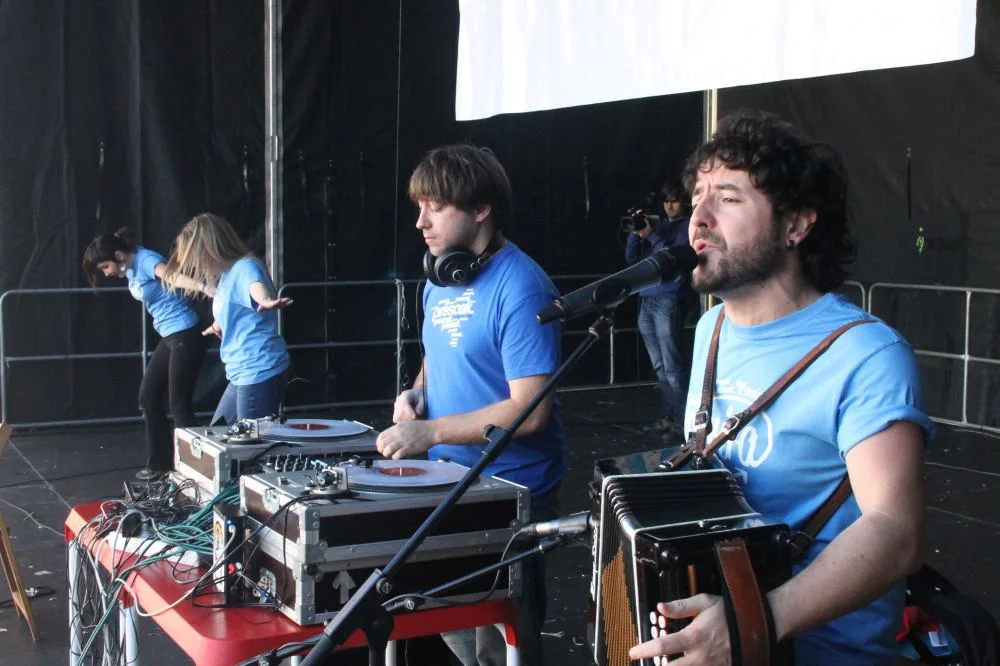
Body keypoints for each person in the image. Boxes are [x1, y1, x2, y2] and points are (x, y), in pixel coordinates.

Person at [629, 110, 932, 666]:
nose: (699, 219)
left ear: (796, 226)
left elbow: (896, 532)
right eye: (697, 197)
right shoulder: (710, 328)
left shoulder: (866, 354)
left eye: (728, 198)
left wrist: (752, 622)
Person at [376, 144, 565, 666]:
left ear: (481, 209)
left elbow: (531, 410)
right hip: (450, 482)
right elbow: (437, 354)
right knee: (452, 627)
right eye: (419, 207)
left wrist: (431, 432)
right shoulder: (441, 279)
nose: (421, 222)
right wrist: (417, 391)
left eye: (435, 207)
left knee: (500, 645)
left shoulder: (523, 289)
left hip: (512, 493)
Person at [83, 227, 211, 480]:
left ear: (119, 255)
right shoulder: (130, 267)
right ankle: (160, 465)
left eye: (106, 267)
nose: (107, 273)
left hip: (186, 332)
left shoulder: (146, 260)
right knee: (148, 397)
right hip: (170, 335)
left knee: (179, 403)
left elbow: (172, 276)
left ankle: (193, 472)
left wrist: (205, 288)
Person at [163, 213, 293, 425]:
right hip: (242, 372)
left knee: (249, 440)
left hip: (258, 370)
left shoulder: (245, 267)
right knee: (219, 432)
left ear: (209, 249)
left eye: (196, 258)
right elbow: (235, 307)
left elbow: (255, 287)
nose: (197, 266)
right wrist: (217, 325)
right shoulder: (226, 275)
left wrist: (265, 300)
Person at [624, 182, 691, 441]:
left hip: (668, 300)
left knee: (673, 367)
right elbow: (631, 257)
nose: (669, 206)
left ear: (683, 202)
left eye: (674, 200)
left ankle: (683, 423)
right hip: (647, 300)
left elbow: (670, 257)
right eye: (666, 201)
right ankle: (670, 418)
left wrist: (651, 235)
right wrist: (636, 232)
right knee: (660, 367)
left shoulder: (687, 227)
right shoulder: (658, 225)